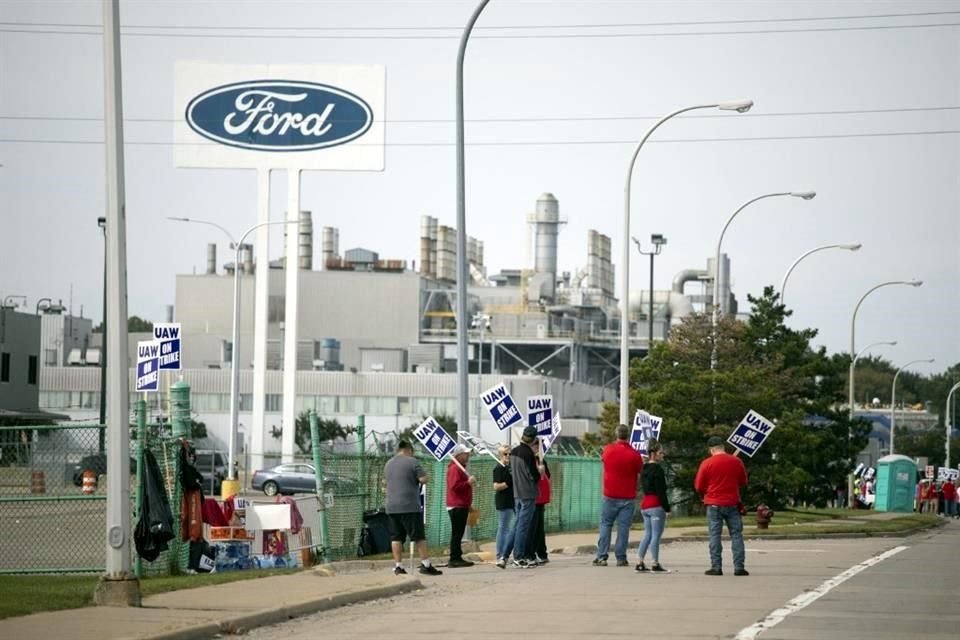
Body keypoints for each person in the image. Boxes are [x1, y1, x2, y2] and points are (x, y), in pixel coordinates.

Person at [383, 440, 442, 576]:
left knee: (396, 537)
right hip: (409, 506)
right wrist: (425, 477)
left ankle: (398, 566)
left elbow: (384, 482)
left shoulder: (388, 463)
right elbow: (423, 479)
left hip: (391, 506)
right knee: (418, 537)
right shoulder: (412, 462)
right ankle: (426, 564)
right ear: (408, 449)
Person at [694, 435, 749, 576]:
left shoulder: (706, 463)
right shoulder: (736, 461)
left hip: (713, 503)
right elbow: (743, 481)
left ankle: (716, 567)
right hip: (732, 502)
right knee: (736, 535)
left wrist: (707, 491)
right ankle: (739, 567)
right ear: (723, 447)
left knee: (714, 535)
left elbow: (699, 486)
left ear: (711, 449)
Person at [592, 424, 643, 567]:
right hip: (627, 496)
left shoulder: (608, 450)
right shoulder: (634, 454)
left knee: (605, 525)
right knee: (623, 528)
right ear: (628, 436)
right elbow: (640, 472)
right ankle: (621, 557)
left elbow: (604, 461)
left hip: (609, 494)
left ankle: (602, 556)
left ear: (616, 434)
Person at [636, 438, 671, 573]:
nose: (663, 455)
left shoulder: (643, 468)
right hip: (656, 505)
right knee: (656, 535)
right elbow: (661, 491)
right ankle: (655, 562)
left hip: (645, 504)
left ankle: (640, 561)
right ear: (654, 453)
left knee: (647, 534)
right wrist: (667, 508)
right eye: (661, 453)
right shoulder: (658, 470)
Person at [510, 426, 542, 568]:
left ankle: (509, 554)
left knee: (517, 525)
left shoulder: (514, 452)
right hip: (528, 493)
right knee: (523, 526)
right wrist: (540, 472)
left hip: (517, 492)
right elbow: (533, 475)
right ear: (534, 438)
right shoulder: (527, 454)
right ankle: (519, 555)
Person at [445, 444, 476, 568]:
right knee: (457, 533)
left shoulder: (461, 468)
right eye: (465, 454)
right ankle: (454, 558)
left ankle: (457, 556)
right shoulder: (455, 469)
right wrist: (468, 482)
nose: (468, 456)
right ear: (458, 455)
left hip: (461, 504)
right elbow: (454, 486)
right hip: (456, 504)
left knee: (459, 532)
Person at [492, 445, 515, 569]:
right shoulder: (498, 468)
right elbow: (496, 486)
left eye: (510, 454)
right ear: (501, 455)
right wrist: (507, 483)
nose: (509, 456)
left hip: (512, 499)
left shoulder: (510, 468)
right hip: (503, 500)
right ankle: (500, 554)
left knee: (510, 527)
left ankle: (505, 553)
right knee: (503, 527)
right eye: (506, 454)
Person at [528, 453, 551, 565]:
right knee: (533, 528)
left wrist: (542, 469)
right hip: (534, 498)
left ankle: (542, 553)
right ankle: (531, 553)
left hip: (541, 499)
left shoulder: (542, 461)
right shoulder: (528, 461)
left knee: (539, 528)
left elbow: (547, 475)